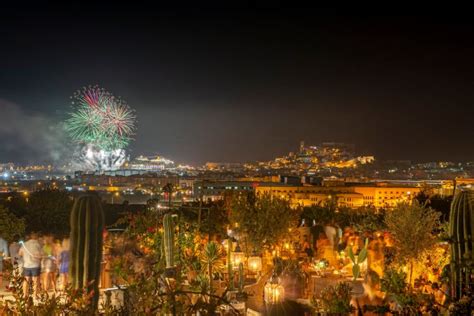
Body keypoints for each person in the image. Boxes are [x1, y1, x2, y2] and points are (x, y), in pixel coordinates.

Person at [19, 233, 44, 297]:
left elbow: (20, 253)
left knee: (26, 280)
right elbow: (41, 255)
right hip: (35, 265)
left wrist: (26, 256)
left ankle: (25, 294)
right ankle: (34, 295)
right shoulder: (38, 244)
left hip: (26, 265)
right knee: (35, 281)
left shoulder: (25, 244)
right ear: (36, 238)